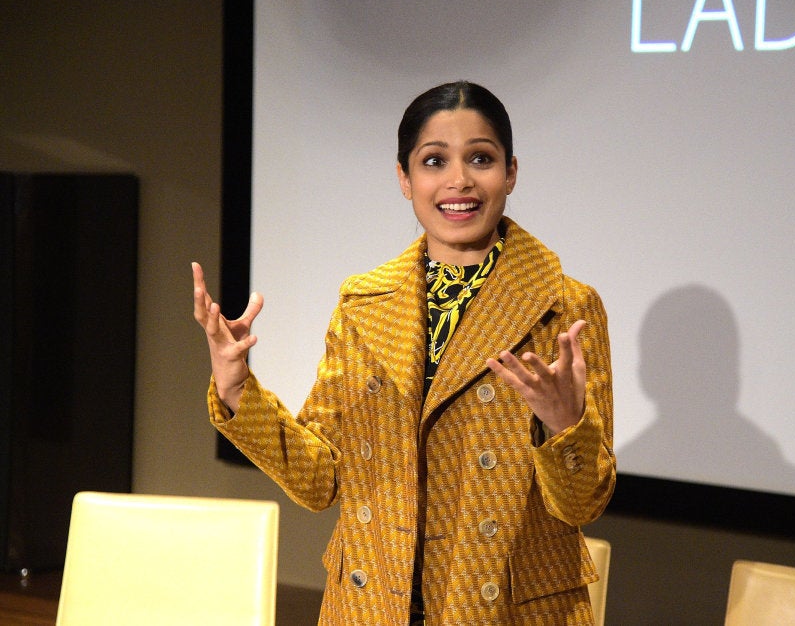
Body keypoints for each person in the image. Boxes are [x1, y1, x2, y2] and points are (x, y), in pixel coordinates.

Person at [192, 81, 615, 625]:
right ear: (404, 178)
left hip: (505, 612)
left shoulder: (563, 306)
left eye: (480, 158)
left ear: (510, 171)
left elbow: (584, 504)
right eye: (434, 160)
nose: (458, 180)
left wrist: (564, 427)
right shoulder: (363, 303)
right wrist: (234, 388)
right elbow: (321, 480)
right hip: (371, 606)